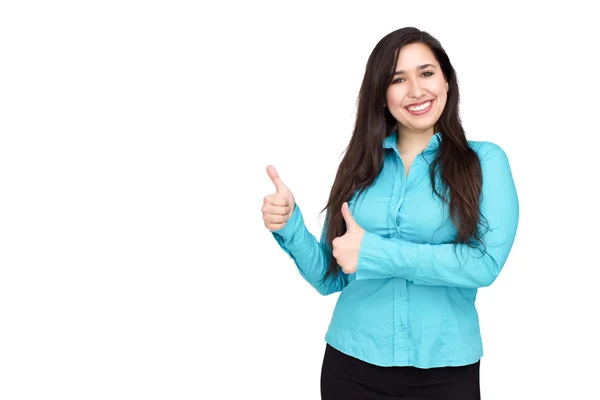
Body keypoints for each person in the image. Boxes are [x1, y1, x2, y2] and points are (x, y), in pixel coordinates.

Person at [261, 26, 519, 400]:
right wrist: (290, 224)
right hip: (351, 364)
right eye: (399, 79)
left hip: (445, 370)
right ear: (382, 94)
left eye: (426, 73)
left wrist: (373, 253)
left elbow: (483, 264)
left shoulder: (486, 162)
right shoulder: (359, 166)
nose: (416, 90)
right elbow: (329, 277)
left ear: (447, 81)